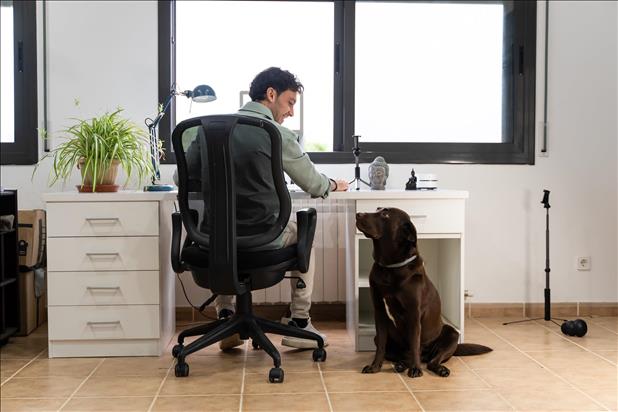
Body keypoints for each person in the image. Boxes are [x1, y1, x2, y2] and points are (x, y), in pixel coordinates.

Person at [174, 67, 348, 350]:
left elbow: (180, 179)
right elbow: (315, 185)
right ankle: (299, 322)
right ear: (271, 94)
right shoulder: (275, 133)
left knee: (224, 233)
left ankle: (226, 315)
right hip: (264, 238)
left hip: (211, 238)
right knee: (303, 230)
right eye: (290, 102)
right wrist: (334, 184)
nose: (291, 111)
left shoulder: (207, 131)